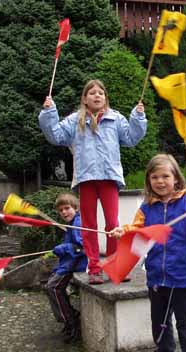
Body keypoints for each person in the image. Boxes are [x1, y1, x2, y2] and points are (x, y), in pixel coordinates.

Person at [110, 154, 186, 352]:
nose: (160, 181)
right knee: (159, 319)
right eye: (154, 177)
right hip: (156, 275)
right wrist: (124, 232)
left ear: (176, 178)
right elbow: (137, 230)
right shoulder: (146, 208)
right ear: (149, 181)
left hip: (183, 274)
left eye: (165, 176)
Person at [39, 79, 147, 284]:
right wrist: (49, 113)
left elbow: (132, 138)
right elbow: (56, 135)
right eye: (92, 93)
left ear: (106, 98)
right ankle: (95, 268)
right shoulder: (74, 120)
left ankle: (116, 266)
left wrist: (138, 116)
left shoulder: (116, 119)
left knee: (112, 224)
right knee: (88, 225)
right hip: (86, 178)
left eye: (101, 93)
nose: (97, 96)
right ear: (84, 99)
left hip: (109, 178)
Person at [46, 193, 87, 344]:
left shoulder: (77, 224)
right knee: (51, 285)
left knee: (53, 287)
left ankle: (71, 321)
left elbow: (83, 248)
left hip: (76, 265)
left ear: (75, 208)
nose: (64, 212)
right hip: (68, 264)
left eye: (67, 208)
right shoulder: (72, 224)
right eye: (61, 210)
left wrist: (63, 248)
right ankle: (70, 316)